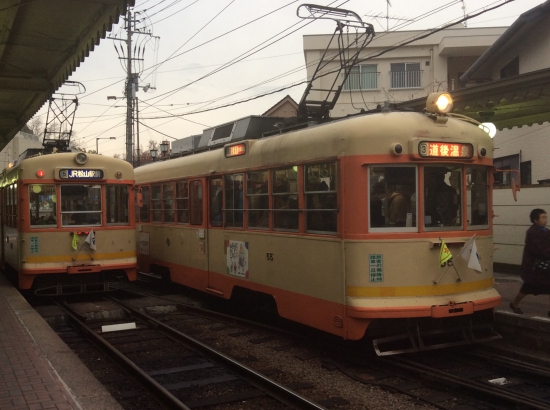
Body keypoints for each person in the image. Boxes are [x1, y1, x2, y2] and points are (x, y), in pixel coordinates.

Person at [510, 209, 550, 315]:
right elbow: (540, 249)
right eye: (543, 218)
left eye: (546, 217)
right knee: (527, 287)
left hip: (543, 266)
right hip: (535, 267)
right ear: (535, 220)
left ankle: (514, 304)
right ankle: (514, 303)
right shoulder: (533, 232)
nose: (545, 220)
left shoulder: (544, 230)